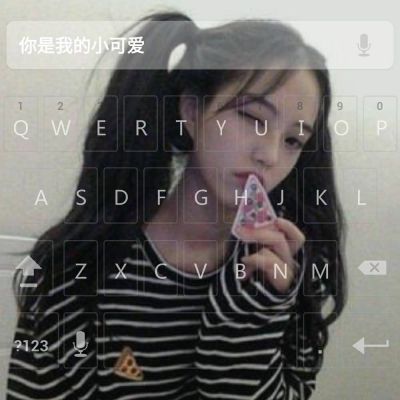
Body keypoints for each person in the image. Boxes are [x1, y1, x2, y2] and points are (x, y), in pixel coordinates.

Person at [7, 10, 347, 400]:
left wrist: (254, 314)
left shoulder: (290, 269)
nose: (269, 155)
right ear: (191, 111)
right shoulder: (77, 271)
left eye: (293, 140)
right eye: (252, 117)